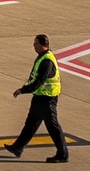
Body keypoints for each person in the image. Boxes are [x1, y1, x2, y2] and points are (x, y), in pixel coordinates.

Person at [5, 33, 69, 163]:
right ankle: (18, 147)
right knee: (31, 123)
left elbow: (39, 81)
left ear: (43, 45)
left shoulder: (47, 61)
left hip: (47, 98)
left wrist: (22, 90)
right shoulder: (42, 57)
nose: (33, 46)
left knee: (53, 127)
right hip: (40, 97)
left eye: (36, 44)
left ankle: (63, 154)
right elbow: (33, 78)